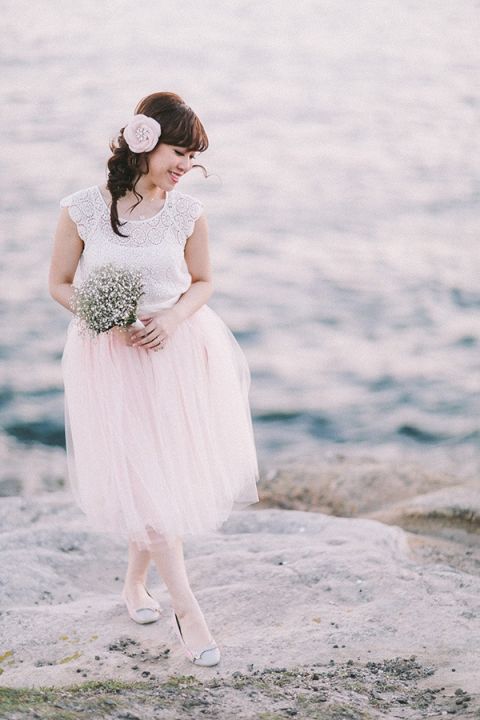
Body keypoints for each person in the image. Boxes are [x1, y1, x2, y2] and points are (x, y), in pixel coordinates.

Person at [48, 91, 260, 667]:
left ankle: (133, 586)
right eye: (179, 152)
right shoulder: (82, 210)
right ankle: (187, 609)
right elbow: (60, 283)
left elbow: (204, 282)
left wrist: (169, 319)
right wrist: (103, 315)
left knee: (159, 476)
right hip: (111, 360)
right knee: (147, 481)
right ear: (144, 142)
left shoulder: (187, 213)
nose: (185, 167)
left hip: (177, 351)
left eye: (193, 158)